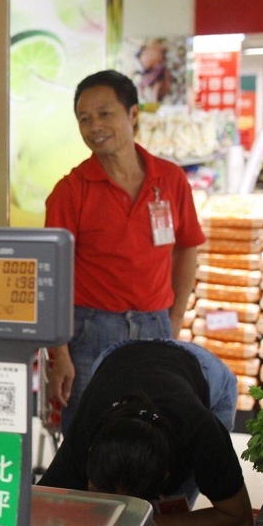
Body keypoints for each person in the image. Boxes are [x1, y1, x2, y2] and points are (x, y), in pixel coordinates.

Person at [45, 70, 205, 433]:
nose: (93, 126)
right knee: (90, 432)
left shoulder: (171, 179)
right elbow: (52, 276)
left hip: (155, 325)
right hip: (90, 331)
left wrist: (175, 317)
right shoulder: (71, 190)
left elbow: (187, 247)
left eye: (104, 113)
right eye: (83, 119)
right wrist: (60, 354)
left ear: (133, 115)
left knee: (156, 430)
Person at [39, 340, 252, 526]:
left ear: (167, 474)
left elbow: (239, 520)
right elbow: (36, 509)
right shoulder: (86, 432)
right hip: (121, 357)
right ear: (91, 452)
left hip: (203, 370)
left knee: (171, 523)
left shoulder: (201, 432)